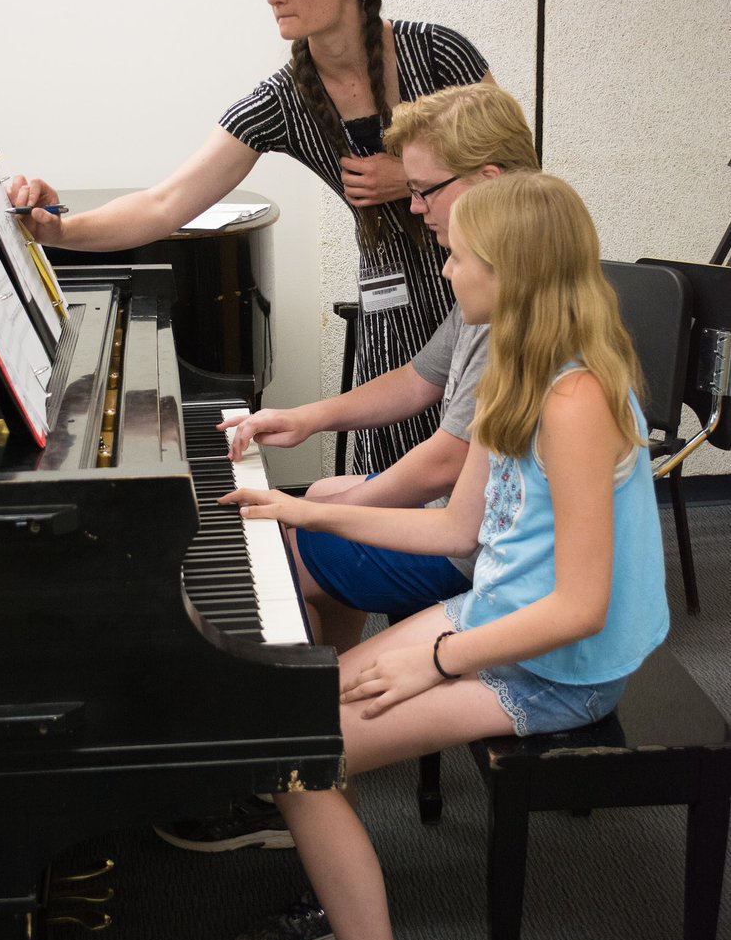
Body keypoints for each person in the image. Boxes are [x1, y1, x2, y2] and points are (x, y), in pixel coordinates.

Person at [219, 171, 670, 940]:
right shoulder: (516, 370)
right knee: (289, 722)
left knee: (293, 749)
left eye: (459, 257)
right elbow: (458, 530)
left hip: (559, 664)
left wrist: (432, 661)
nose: (445, 269)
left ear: (512, 273)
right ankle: (341, 896)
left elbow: (580, 608)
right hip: (498, 615)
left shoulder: (574, 400)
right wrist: (303, 509)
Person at [9, 0, 492, 474]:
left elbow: (521, 177)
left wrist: (408, 178)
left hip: (487, 291)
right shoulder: (283, 99)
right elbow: (163, 204)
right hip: (395, 322)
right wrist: (58, 228)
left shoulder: (438, 53)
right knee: (390, 493)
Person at [220, 82, 540, 654]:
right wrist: (309, 418)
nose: (415, 207)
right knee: (320, 490)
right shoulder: (490, 276)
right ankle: (332, 679)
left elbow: (447, 462)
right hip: (468, 519)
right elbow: (418, 378)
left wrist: (326, 517)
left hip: (485, 552)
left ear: (488, 183)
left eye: (424, 191)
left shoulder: (513, 312)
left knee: (285, 547)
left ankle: (313, 710)